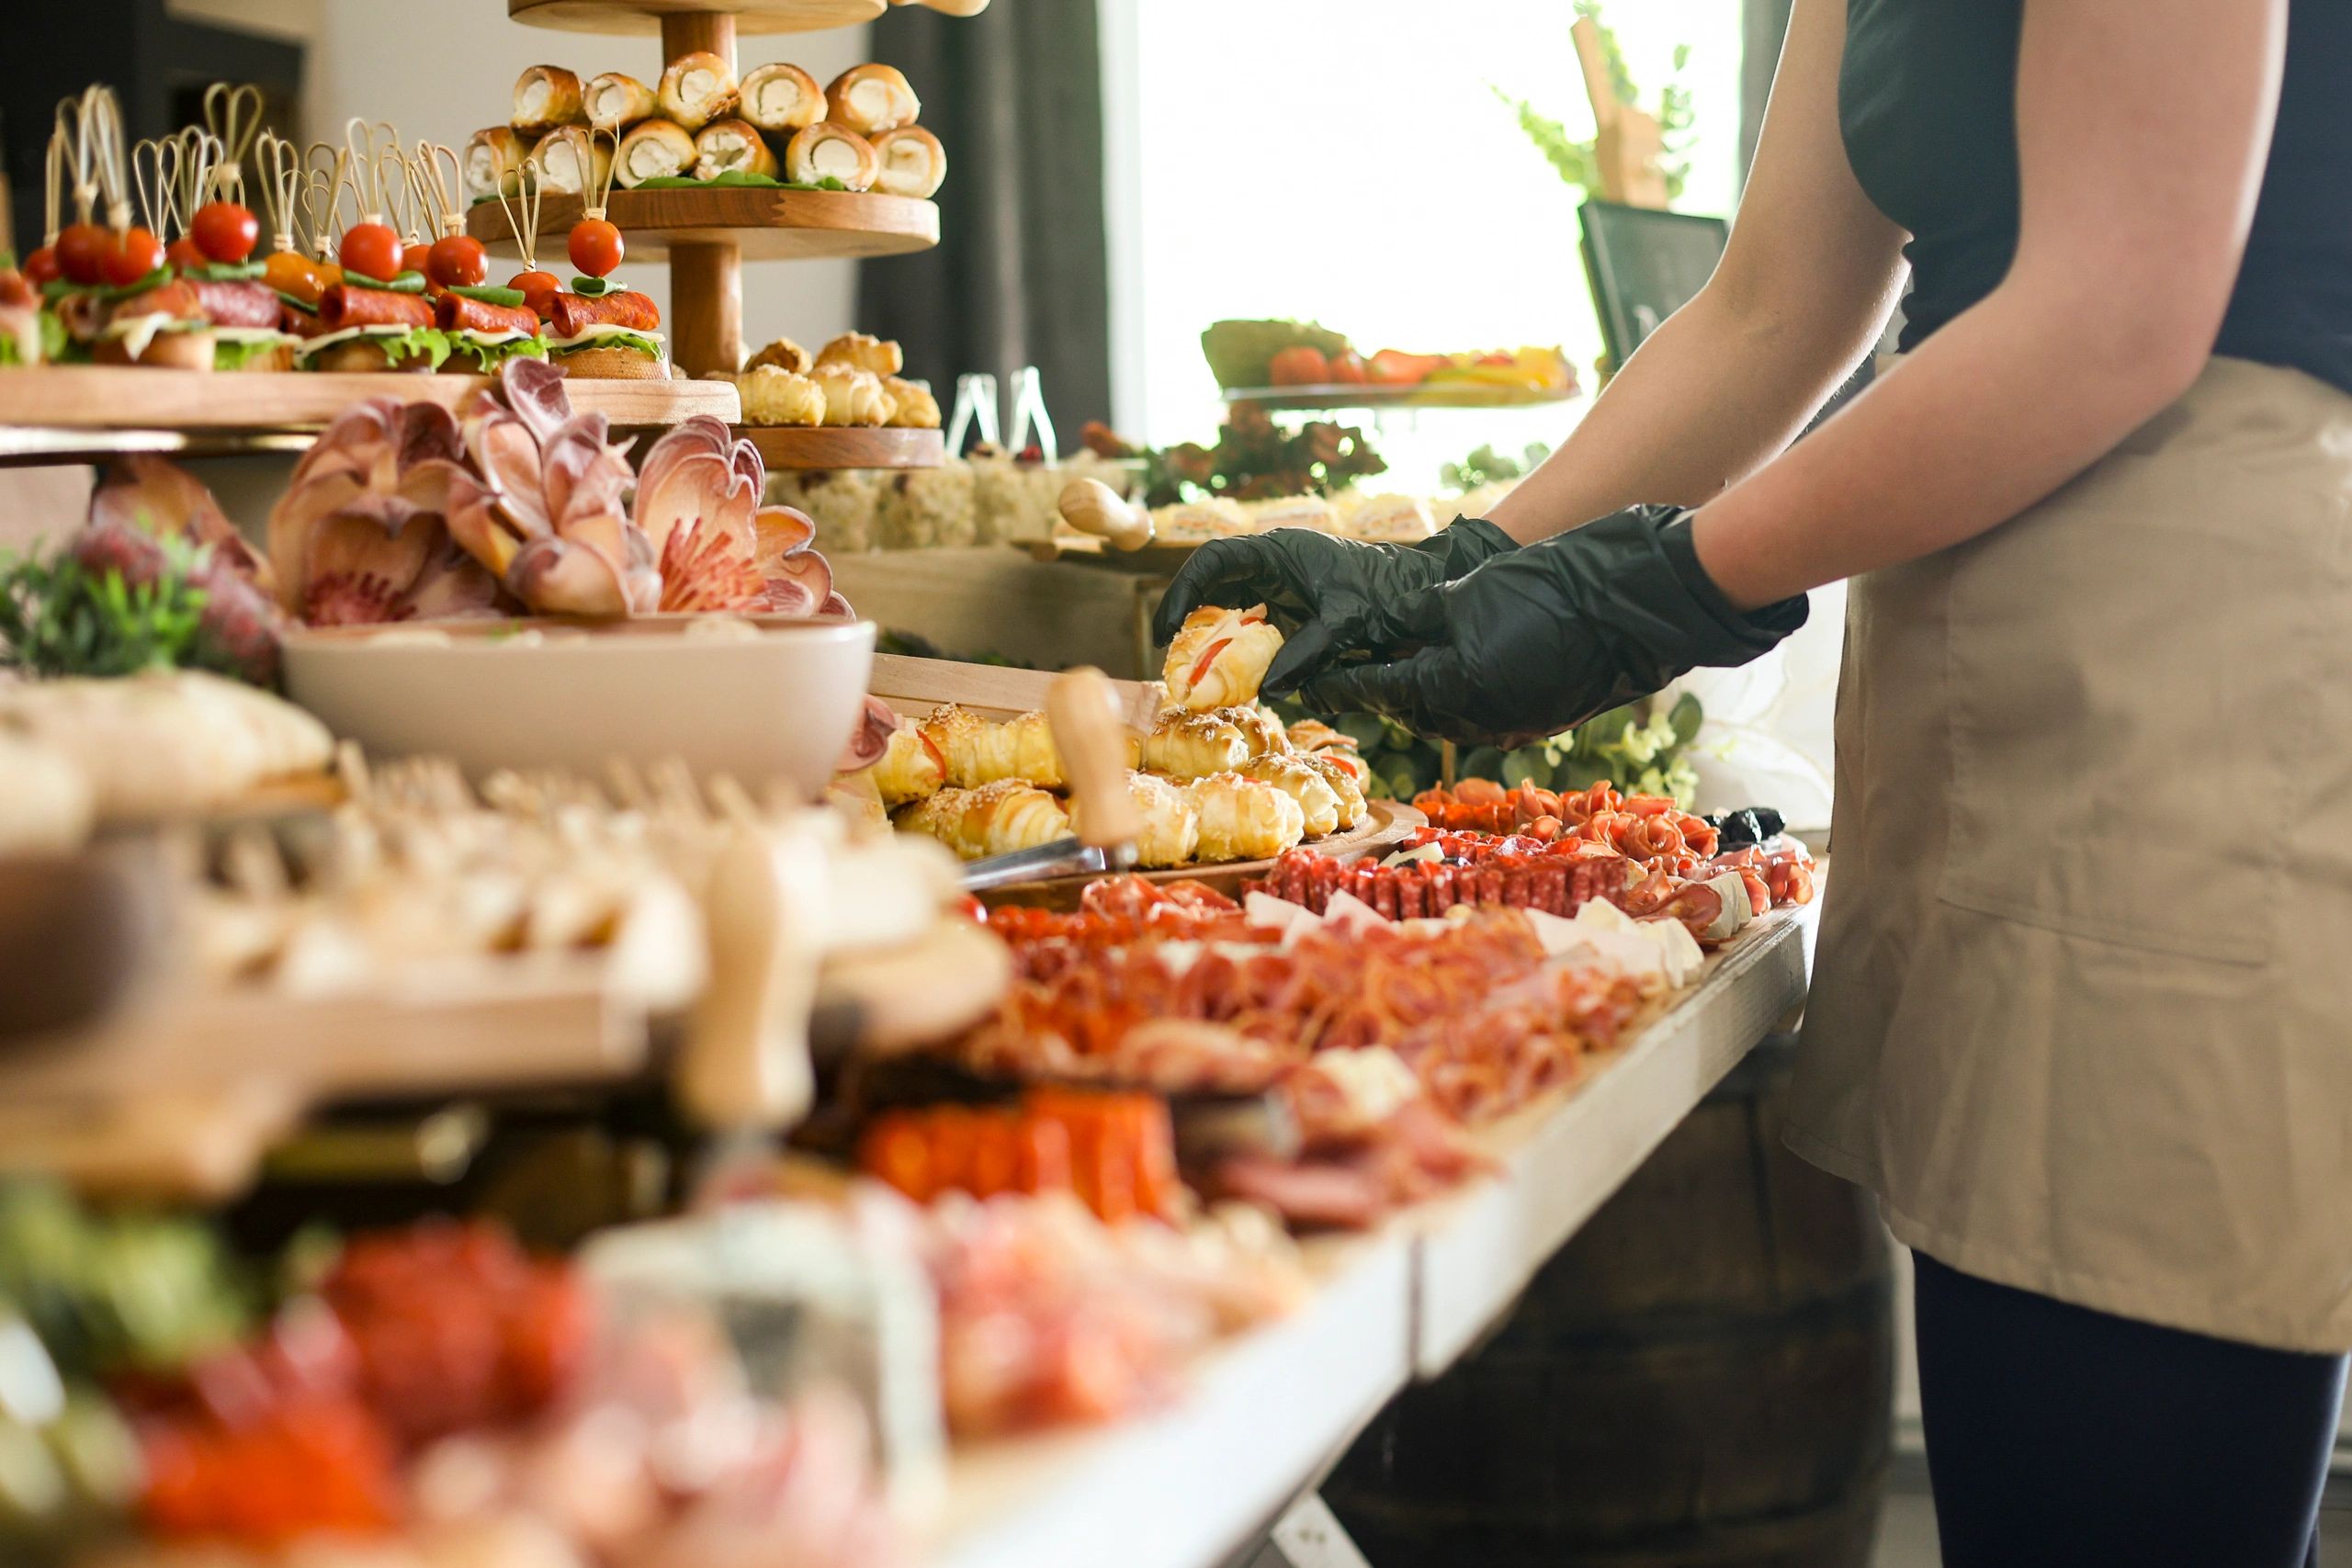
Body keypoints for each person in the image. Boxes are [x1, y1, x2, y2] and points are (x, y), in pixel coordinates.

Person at [1157, 2, 2352, 1562]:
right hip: (1984, 660)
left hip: (2185, 662)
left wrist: (1655, 592)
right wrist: (1465, 569)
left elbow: (2117, 309)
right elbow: (1773, 306)